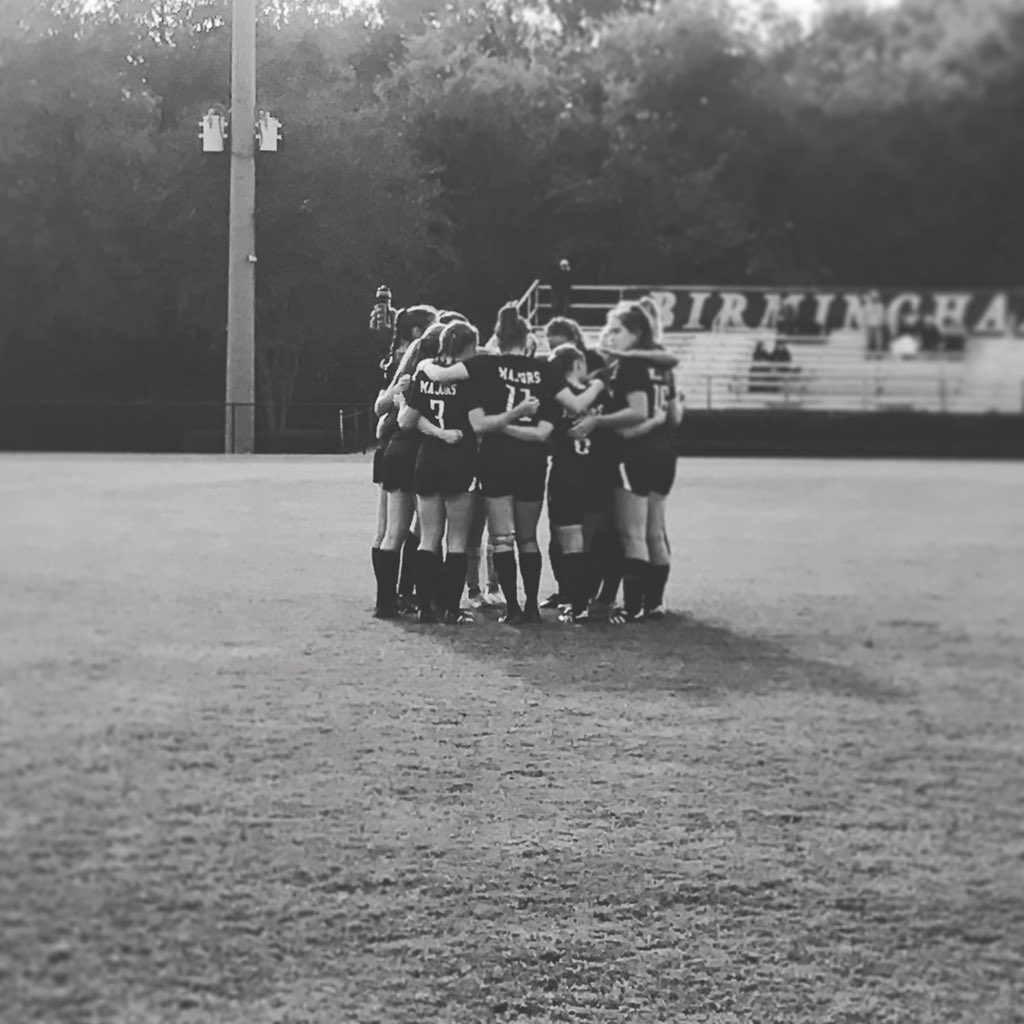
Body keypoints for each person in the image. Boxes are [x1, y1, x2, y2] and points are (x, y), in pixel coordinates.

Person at [571, 303, 682, 623]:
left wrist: (599, 421)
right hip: (664, 452)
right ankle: (654, 604)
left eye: (618, 330)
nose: (612, 336)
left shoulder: (632, 365)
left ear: (636, 332)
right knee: (654, 531)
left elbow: (637, 411)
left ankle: (634, 606)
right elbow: (673, 415)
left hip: (636, 453)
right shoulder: (659, 365)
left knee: (634, 534)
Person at [397, 322, 482, 624]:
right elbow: (477, 422)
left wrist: (436, 431)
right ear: (467, 347)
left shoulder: (424, 372)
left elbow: (409, 419)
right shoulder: (469, 377)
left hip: (427, 460)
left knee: (428, 538)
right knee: (456, 541)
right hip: (459, 459)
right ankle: (450, 608)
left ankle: (424, 607)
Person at [371, 305, 437, 613]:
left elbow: (381, 409)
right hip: (414, 452)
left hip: (392, 449)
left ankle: (386, 602)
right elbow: (404, 417)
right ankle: (415, 597)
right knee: (422, 532)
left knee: (391, 531)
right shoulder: (427, 373)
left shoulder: (403, 367)